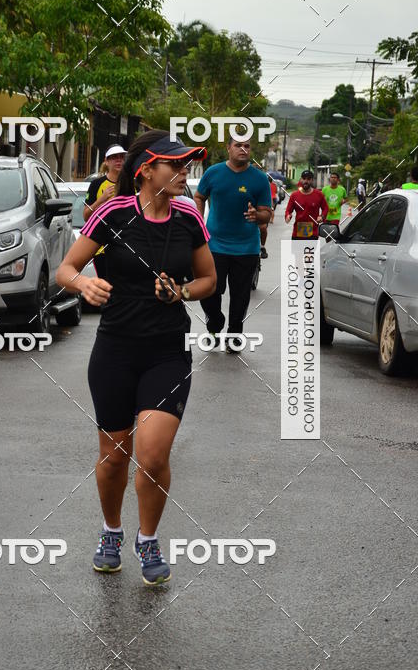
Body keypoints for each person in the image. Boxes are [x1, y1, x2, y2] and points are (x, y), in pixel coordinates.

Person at [56, 130, 216, 585]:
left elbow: (208, 279)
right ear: (147, 170)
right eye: (175, 165)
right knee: (114, 457)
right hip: (116, 350)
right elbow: (66, 268)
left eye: (186, 165)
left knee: (152, 453)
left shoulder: (188, 215)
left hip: (168, 352)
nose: (184, 173)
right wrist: (83, 284)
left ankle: (148, 538)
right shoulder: (112, 212)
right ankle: (111, 531)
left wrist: (182, 291)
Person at [192, 137, 272, 350]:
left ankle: (234, 333)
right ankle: (215, 321)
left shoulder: (259, 179)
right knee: (210, 289)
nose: (243, 149)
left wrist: (258, 215)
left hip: (246, 247)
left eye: (247, 146)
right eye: (238, 145)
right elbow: (199, 196)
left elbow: (267, 214)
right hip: (215, 244)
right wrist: (199, 220)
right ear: (228, 148)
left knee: (240, 295)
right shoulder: (213, 173)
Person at [82, 145, 126, 281]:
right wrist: (101, 199)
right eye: (114, 158)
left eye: (121, 157)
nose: (118, 161)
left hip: (126, 244)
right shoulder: (96, 184)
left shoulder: (133, 183)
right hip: (102, 247)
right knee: (107, 286)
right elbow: (86, 216)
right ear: (106, 161)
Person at [284, 169, 328, 239]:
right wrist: (288, 216)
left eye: (308, 179)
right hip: (297, 233)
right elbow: (288, 210)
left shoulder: (319, 194)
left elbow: (325, 208)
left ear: (312, 180)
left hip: (313, 233)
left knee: (310, 250)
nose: (306, 181)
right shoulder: (294, 195)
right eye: (304, 178)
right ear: (301, 179)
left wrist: (322, 216)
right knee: (297, 250)